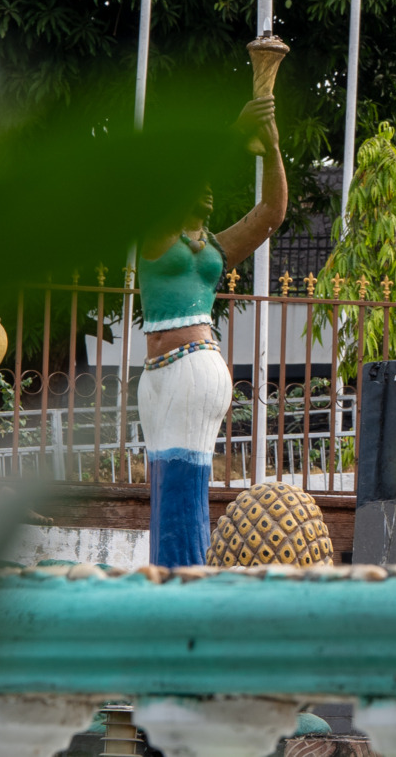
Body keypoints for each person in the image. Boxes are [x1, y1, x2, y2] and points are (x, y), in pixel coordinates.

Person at [136, 92, 289, 568]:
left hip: (194, 369)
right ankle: (173, 572)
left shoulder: (216, 249)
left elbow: (271, 212)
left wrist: (271, 144)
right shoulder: (156, 235)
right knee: (164, 479)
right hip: (158, 372)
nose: (205, 188)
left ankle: (183, 578)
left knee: (182, 479)